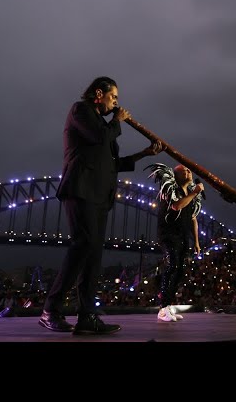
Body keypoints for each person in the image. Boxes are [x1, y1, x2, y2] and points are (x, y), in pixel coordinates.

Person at [39, 76, 163, 335]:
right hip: (81, 189)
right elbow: (97, 137)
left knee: (93, 257)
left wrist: (144, 153)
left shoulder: (104, 128)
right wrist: (116, 122)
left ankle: (87, 318)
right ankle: (51, 310)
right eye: (114, 97)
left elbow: (112, 164)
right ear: (99, 93)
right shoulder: (80, 111)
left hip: (99, 196)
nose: (117, 103)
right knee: (82, 244)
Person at [146, 163, 203, 322]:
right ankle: (162, 309)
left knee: (180, 271)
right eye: (184, 170)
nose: (188, 171)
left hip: (183, 236)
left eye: (189, 169)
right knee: (172, 266)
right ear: (175, 176)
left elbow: (193, 218)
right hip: (168, 235)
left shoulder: (190, 193)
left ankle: (167, 305)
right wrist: (195, 192)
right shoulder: (171, 191)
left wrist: (197, 242)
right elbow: (177, 206)